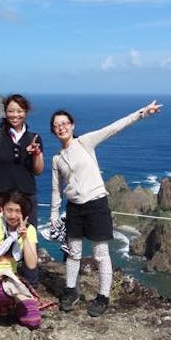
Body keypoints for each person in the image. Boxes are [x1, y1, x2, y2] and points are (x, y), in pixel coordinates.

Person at [50, 100, 162, 317]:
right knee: (73, 252)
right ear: (54, 131)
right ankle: (71, 291)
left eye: (64, 123)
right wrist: (54, 216)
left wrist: (142, 113)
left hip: (96, 204)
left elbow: (114, 127)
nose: (61, 127)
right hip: (74, 208)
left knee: (100, 254)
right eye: (57, 125)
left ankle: (103, 297)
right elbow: (56, 190)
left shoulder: (85, 142)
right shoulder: (57, 159)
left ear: (72, 125)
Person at [0, 191, 42, 335]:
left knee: (33, 319)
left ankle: (7, 305)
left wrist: (24, 238)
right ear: (2, 209)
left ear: (24, 213)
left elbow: (31, 264)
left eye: (18, 211)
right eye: (9, 210)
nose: (13, 215)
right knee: (2, 291)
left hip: (11, 279)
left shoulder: (29, 230)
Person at [0, 94, 44, 227]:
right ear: (5, 112)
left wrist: (36, 153)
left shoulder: (34, 138)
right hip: (2, 198)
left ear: (25, 112)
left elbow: (38, 171)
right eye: (11, 111)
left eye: (19, 111)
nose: (15, 115)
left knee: (28, 240)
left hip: (27, 198)